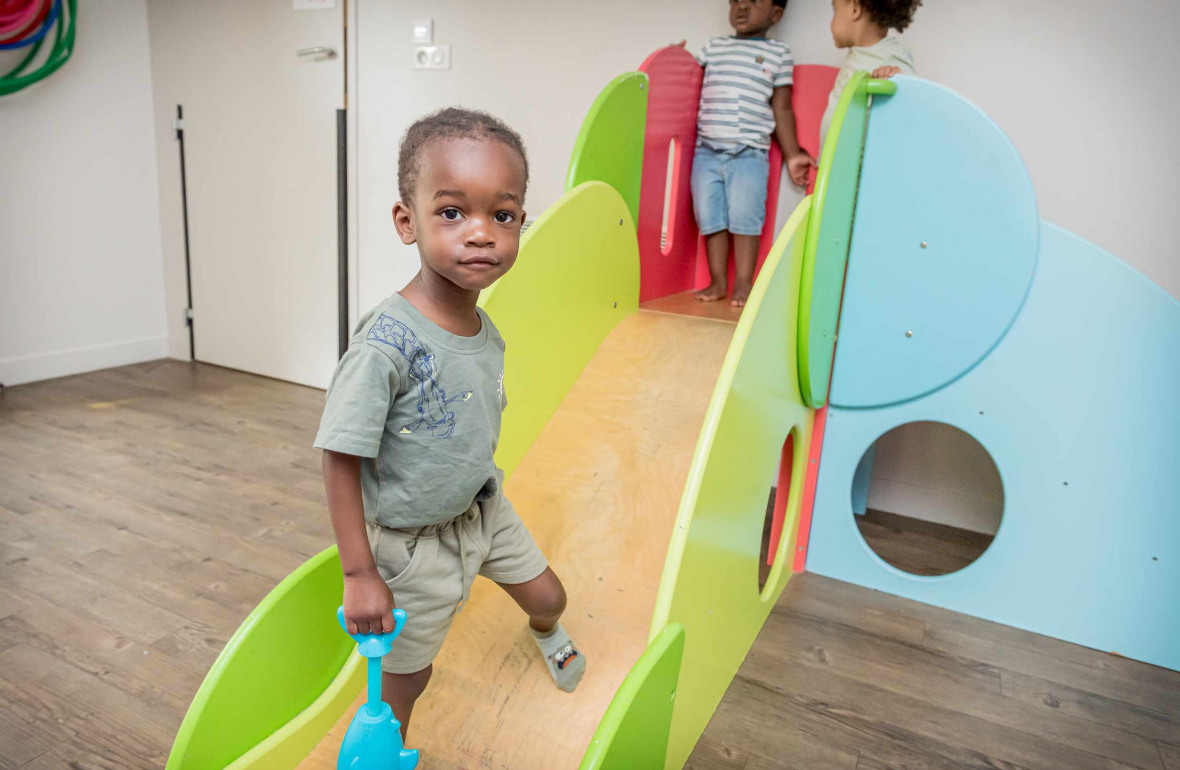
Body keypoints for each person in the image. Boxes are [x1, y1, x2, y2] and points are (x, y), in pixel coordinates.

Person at [315, 108, 585, 741]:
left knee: (550, 599)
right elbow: (338, 456)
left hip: (483, 511)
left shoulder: (483, 326)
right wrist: (360, 574)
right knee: (407, 680)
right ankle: (386, 746)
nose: (482, 234)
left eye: (503, 215)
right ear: (407, 223)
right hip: (411, 547)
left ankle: (546, 632)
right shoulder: (385, 346)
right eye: (452, 212)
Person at [685, 0, 813, 307]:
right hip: (706, 151)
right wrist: (677, 58)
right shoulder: (713, 48)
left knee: (745, 217)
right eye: (736, 0)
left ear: (775, 14)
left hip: (749, 154)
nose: (742, 7)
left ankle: (744, 281)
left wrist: (793, 154)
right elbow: (687, 84)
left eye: (754, 1)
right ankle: (718, 281)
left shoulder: (778, 53)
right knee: (710, 216)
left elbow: (781, 108)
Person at [820, 0, 922, 147]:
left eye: (834, 10)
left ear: (855, 9)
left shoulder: (890, 54)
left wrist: (896, 77)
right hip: (836, 163)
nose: (831, 23)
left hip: (862, 167)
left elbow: (911, 98)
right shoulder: (860, 52)